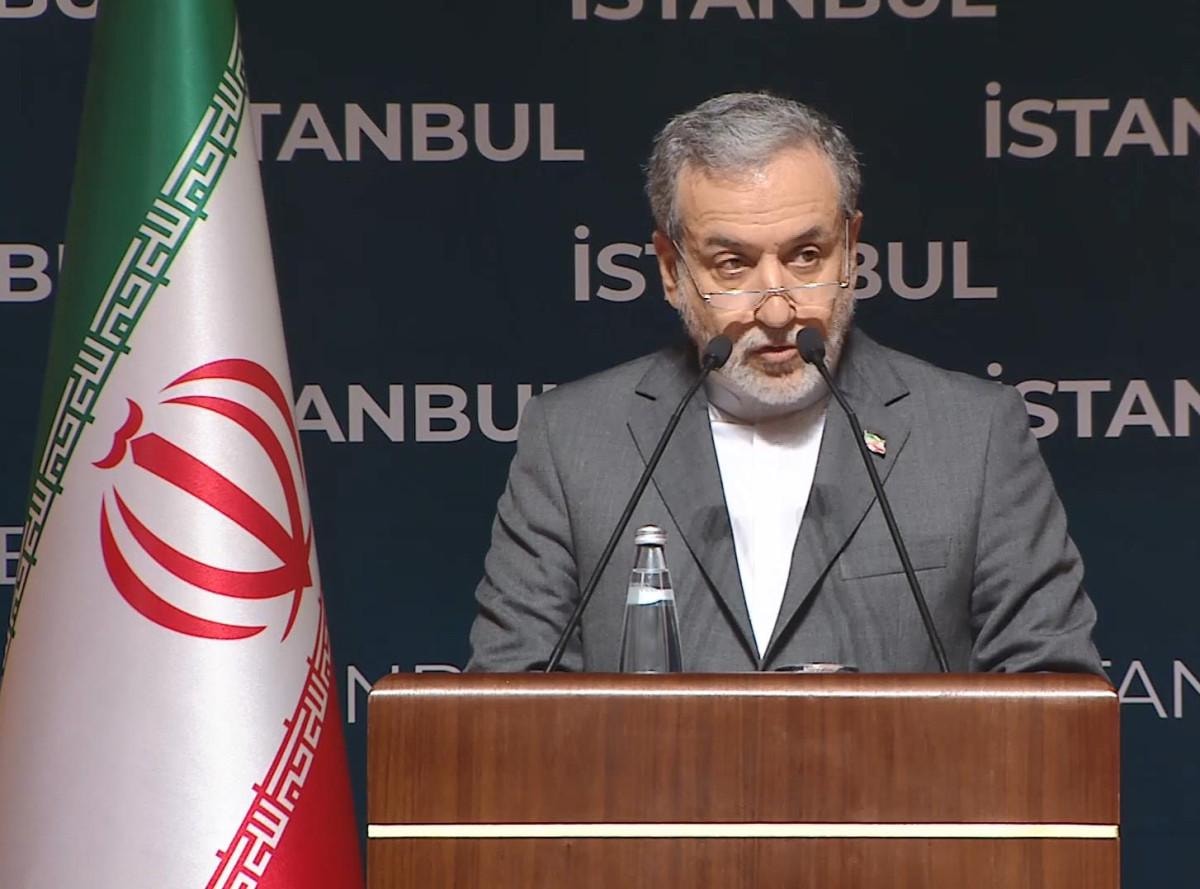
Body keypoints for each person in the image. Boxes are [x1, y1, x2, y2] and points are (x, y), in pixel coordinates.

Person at [467, 92, 1102, 674]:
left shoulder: (973, 435)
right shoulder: (572, 442)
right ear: (671, 270)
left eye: (806, 256)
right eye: (732, 264)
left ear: (851, 248)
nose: (776, 310)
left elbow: (1054, 696)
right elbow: (508, 707)